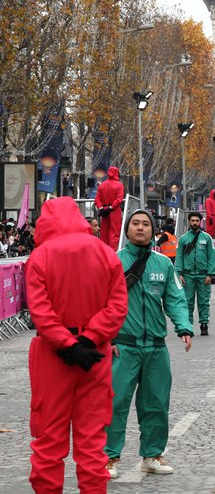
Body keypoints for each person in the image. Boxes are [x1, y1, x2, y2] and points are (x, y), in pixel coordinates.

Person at [26, 197, 128, 494]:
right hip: (95, 354)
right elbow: (118, 306)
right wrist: (89, 338)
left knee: (48, 441)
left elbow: (40, 311)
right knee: (93, 443)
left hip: (53, 356)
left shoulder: (40, 256)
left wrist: (68, 344)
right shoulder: (106, 254)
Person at [105, 210, 193, 479]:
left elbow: (175, 299)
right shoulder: (112, 262)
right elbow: (98, 302)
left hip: (156, 347)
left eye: (146, 224)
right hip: (123, 347)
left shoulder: (164, 264)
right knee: (114, 403)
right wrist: (104, 338)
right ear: (127, 229)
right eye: (135, 223)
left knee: (156, 403)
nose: (140, 228)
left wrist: (183, 327)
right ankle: (108, 458)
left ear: (153, 230)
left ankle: (152, 455)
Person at [174, 213, 215, 335]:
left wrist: (210, 274)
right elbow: (179, 257)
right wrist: (179, 273)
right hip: (187, 275)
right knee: (187, 301)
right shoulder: (183, 239)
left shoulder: (207, 238)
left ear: (200, 222)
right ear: (189, 222)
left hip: (203, 275)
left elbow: (212, 257)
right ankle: (187, 326)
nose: (194, 223)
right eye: (192, 220)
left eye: (197, 220)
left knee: (204, 301)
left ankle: (204, 324)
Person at [94, 166, 124, 251]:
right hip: (114, 211)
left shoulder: (102, 185)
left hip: (104, 211)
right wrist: (111, 207)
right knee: (114, 233)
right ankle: (113, 252)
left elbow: (97, 199)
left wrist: (101, 208)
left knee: (104, 232)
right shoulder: (119, 185)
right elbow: (119, 199)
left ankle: (104, 252)